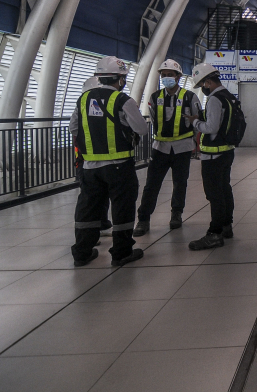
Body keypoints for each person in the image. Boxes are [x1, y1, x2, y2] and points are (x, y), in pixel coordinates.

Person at [70, 56, 149, 267]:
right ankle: (121, 253)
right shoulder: (123, 100)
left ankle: (82, 252)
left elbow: (74, 129)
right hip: (119, 166)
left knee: (88, 208)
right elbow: (142, 129)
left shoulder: (83, 100)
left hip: (89, 167)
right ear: (120, 79)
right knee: (122, 208)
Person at [133, 59, 201, 236]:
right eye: (163, 75)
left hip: (183, 147)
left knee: (180, 183)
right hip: (160, 147)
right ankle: (143, 219)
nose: (166, 78)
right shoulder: (155, 97)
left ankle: (176, 214)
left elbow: (197, 121)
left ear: (178, 77)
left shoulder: (190, 97)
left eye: (169, 75)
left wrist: (196, 144)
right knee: (151, 184)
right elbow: (153, 119)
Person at [183, 63, 237, 250]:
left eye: (202, 85)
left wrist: (195, 122)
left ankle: (214, 233)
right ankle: (226, 226)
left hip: (214, 155)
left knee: (215, 195)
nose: (203, 89)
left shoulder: (215, 99)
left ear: (208, 82)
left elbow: (212, 128)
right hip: (226, 152)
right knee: (224, 190)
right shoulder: (229, 97)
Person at [74, 76, 112, 238]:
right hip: (87, 160)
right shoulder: (84, 106)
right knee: (90, 199)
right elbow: (74, 129)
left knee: (99, 195)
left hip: (89, 159)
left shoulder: (84, 106)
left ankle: (101, 224)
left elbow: (73, 128)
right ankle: (87, 233)